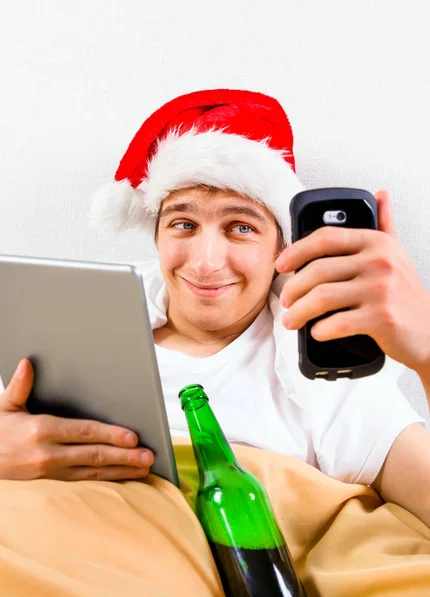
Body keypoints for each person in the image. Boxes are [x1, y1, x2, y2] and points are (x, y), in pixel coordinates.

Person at [1, 89, 429, 528]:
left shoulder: (326, 365)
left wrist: (427, 352)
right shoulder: (70, 328)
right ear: (156, 236)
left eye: (241, 227)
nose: (205, 262)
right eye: (183, 224)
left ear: (282, 246)